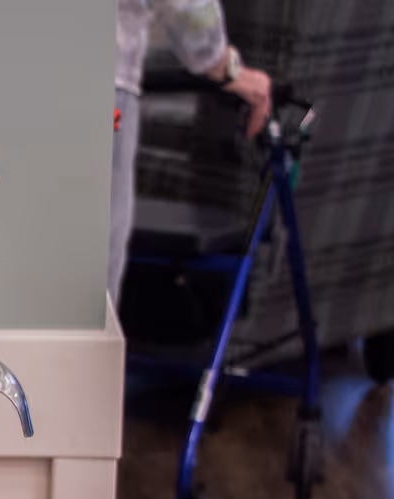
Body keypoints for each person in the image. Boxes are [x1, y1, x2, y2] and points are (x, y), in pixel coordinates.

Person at [111, 0, 274, 305]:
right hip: (102, 72)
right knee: (88, 293)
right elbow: (188, 11)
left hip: (10, 61)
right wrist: (225, 66)